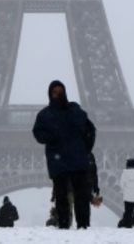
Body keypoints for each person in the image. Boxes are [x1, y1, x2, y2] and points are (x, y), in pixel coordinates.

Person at [32, 79, 97, 229]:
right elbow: (37, 133)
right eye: (54, 92)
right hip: (60, 161)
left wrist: (85, 149)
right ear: (50, 94)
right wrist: (52, 138)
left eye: (60, 92)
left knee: (80, 195)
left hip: (74, 159)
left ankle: (83, 226)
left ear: (65, 92)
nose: (57, 95)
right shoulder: (46, 114)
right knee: (61, 196)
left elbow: (90, 129)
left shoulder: (74, 110)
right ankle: (63, 225)